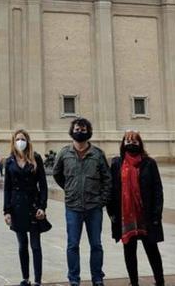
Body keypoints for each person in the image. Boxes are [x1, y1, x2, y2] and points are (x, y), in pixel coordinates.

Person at [52, 117, 112, 286]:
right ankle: (73, 279)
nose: (80, 132)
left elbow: (107, 179)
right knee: (72, 245)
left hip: (94, 207)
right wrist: (70, 189)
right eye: (77, 129)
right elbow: (57, 175)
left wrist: (102, 200)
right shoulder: (64, 153)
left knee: (96, 245)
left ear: (89, 132)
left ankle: (97, 278)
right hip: (73, 207)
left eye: (83, 129)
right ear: (72, 131)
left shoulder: (98, 154)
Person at [108, 131, 165, 286]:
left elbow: (158, 189)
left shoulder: (149, 163)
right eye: (127, 140)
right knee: (129, 251)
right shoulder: (117, 164)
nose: (130, 143)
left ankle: (159, 281)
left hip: (145, 215)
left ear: (140, 143)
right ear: (122, 144)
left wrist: (156, 213)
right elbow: (112, 190)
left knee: (152, 249)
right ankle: (133, 282)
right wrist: (111, 212)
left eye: (134, 141)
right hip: (126, 215)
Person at [4, 129, 49, 286]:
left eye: (22, 139)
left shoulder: (35, 159)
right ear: (13, 142)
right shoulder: (9, 161)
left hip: (33, 205)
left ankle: (37, 280)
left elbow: (43, 185)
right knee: (22, 245)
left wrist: (43, 206)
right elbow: (7, 188)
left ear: (28, 141)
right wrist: (7, 211)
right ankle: (25, 278)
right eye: (17, 139)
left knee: (35, 245)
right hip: (17, 207)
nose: (20, 142)